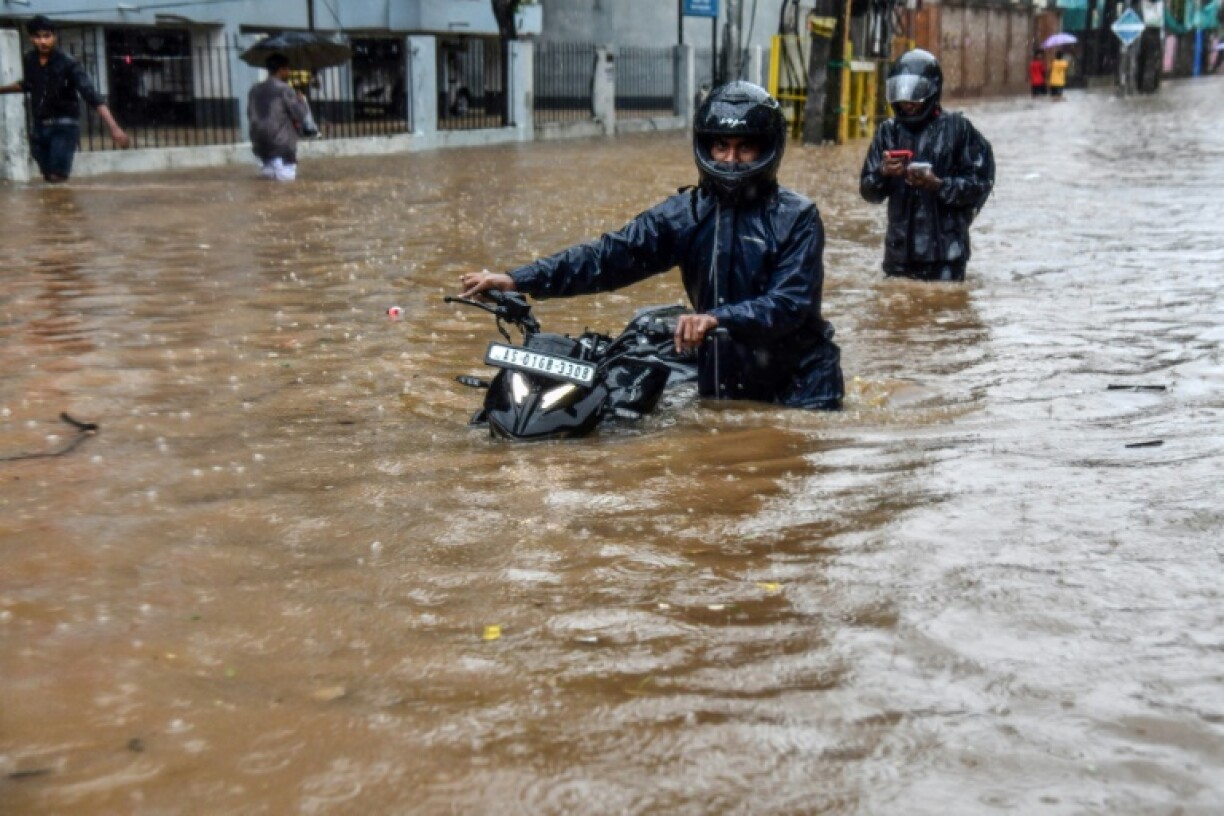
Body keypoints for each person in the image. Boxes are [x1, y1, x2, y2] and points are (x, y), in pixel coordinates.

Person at [458, 81, 844, 411]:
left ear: (768, 149)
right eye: (721, 146)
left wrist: (718, 318)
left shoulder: (797, 217)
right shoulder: (684, 214)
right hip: (723, 378)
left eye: (745, 148)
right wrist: (516, 278)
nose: (730, 160)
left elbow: (791, 304)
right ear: (705, 147)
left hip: (804, 388)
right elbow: (606, 257)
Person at [859, 49, 995, 282]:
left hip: (945, 256)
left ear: (932, 90)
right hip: (899, 255)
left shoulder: (958, 129)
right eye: (901, 94)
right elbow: (868, 191)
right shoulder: (888, 132)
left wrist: (938, 185)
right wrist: (883, 173)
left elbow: (980, 184)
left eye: (915, 94)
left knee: (944, 311)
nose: (907, 102)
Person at [0, 15, 130, 183]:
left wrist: (114, 127)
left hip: (64, 126)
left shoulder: (69, 63)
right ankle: (55, 208)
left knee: (57, 176)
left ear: (54, 36)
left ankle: (63, 207)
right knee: (48, 176)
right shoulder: (30, 60)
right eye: (38, 37)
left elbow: (90, 94)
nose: (43, 41)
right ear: (31, 38)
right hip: (39, 127)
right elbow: (27, 85)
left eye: (47, 36)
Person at [247, 54, 311, 181]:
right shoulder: (285, 90)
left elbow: (250, 114)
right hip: (281, 147)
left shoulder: (254, 89)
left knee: (268, 187)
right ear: (280, 70)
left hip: (260, 147)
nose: (289, 72)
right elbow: (300, 114)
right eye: (287, 69)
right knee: (287, 189)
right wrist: (301, 101)